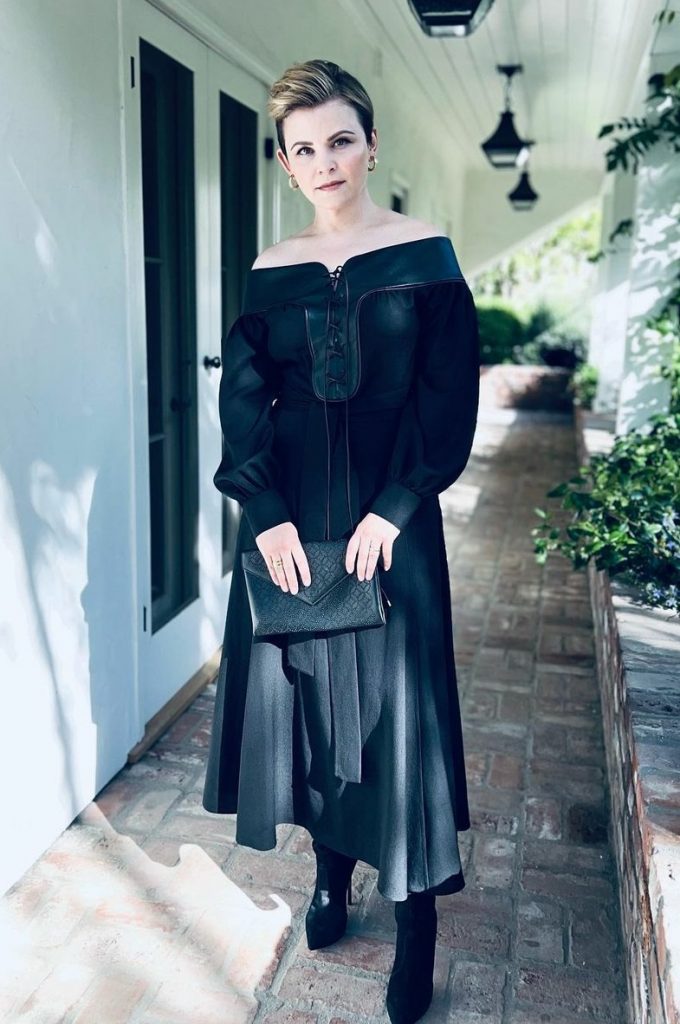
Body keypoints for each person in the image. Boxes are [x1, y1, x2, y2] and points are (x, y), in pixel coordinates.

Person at [201, 58, 480, 1024]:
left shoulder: (427, 256)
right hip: (297, 519)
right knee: (317, 710)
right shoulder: (270, 270)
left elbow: (448, 401)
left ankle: (415, 931)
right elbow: (244, 403)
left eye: (340, 142)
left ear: (371, 145)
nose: (325, 162)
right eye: (305, 149)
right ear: (286, 164)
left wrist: (396, 507)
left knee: (397, 720)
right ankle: (329, 880)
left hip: (391, 519)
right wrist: (263, 509)